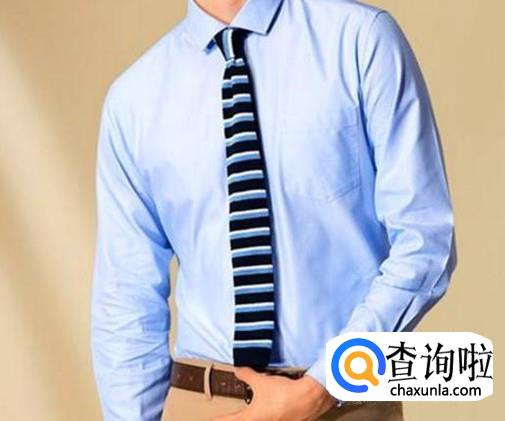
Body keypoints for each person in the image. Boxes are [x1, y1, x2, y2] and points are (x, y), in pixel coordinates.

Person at [90, 0, 457, 420]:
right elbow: (125, 300)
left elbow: (425, 240)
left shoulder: (360, 39)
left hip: (344, 404)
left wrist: (326, 385)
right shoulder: (134, 99)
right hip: (201, 402)